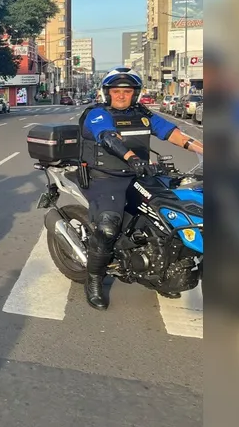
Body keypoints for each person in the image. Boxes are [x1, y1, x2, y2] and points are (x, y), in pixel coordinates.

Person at [79, 67, 204, 310]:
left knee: (171, 216)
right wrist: (131, 157)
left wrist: (204, 149)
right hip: (106, 177)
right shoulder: (97, 114)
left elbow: (173, 134)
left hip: (140, 174)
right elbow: (107, 137)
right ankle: (93, 278)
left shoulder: (143, 114)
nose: (122, 96)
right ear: (107, 93)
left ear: (135, 94)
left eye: (127, 91)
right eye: (116, 91)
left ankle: (164, 271)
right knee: (107, 226)